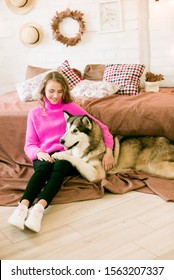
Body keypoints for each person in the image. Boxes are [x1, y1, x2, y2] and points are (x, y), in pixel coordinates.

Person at [8, 71, 114, 233]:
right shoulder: (35, 113)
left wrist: (109, 151)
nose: (55, 95)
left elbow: (102, 127)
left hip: (68, 154)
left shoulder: (71, 108)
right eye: (51, 91)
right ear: (43, 90)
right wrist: (38, 153)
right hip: (44, 154)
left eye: (59, 91)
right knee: (43, 169)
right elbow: (30, 144)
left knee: (60, 168)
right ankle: (22, 207)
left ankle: (38, 210)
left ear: (64, 91)